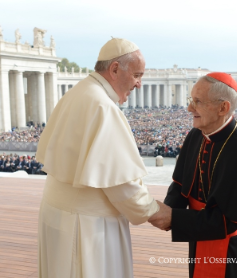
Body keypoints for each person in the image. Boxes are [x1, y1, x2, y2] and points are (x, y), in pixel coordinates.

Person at [36, 38, 160, 278]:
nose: (139, 84)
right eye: (137, 75)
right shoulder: (103, 106)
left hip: (57, 212)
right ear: (114, 69)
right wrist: (155, 211)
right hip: (86, 226)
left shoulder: (78, 92)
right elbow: (122, 185)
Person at [148, 72, 237, 278]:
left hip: (226, 249)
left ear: (223, 107)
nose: (189, 108)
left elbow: (228, 221)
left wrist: (173, 218)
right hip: (197, 233)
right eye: (191, 100)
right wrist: (167, 210)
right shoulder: (195, 134)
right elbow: (181, 183)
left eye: (197, 102)